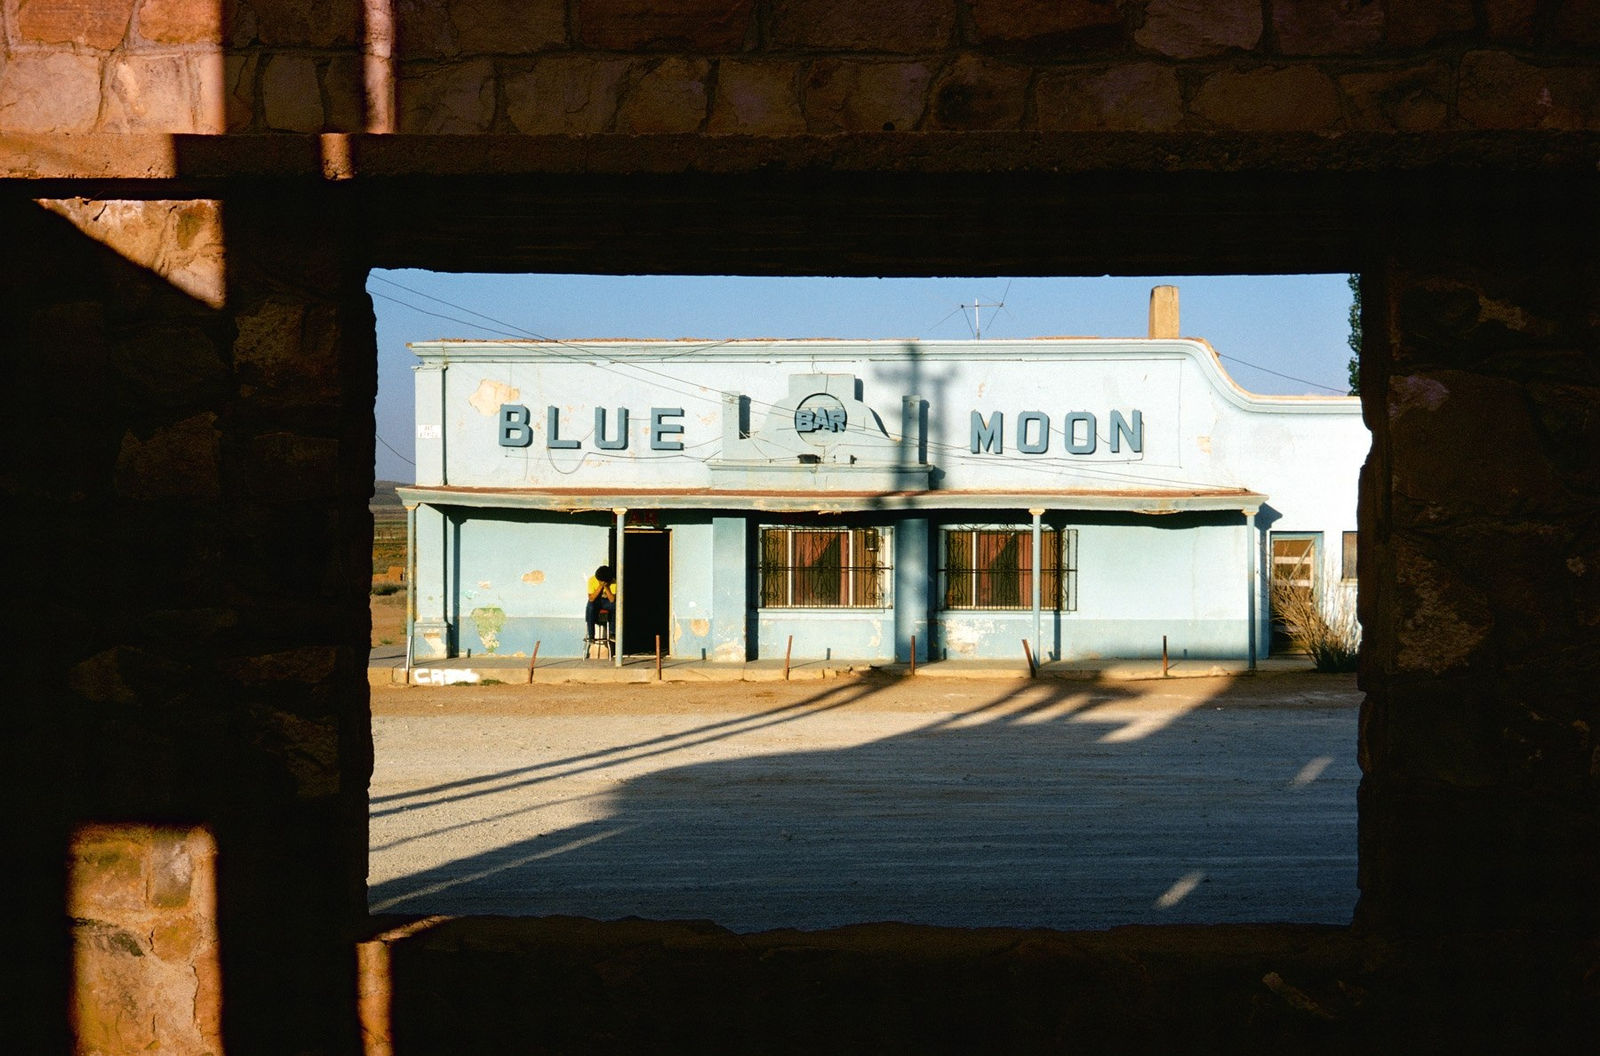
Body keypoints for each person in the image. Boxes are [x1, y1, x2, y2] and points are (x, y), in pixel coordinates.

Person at [585, 565, 616, 650]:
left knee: (616, 607)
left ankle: (612, 633)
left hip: (606, 602)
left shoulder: (613, 582)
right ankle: (591, 636)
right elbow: (591, 599)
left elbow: (612, 600)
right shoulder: (592, 580)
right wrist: (600, 586)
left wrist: (606, 587)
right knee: (590, 607)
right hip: (596, 602)